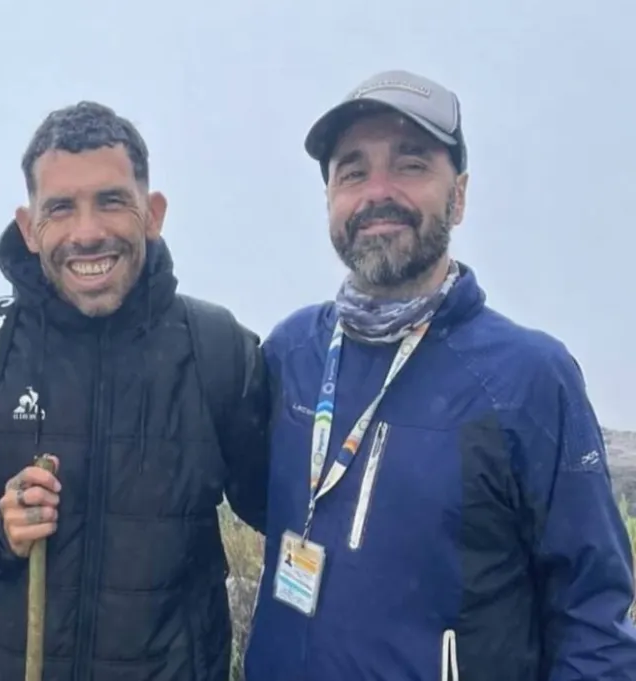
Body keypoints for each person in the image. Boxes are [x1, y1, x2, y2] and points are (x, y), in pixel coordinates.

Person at [243, 69, 636, 681]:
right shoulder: (292, 351)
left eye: (411, 164)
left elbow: (594, 617)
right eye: (353, 170)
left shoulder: (530, 378)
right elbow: (251, 496)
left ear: (459, 195)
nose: (378, 191)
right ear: (328, 200)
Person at [0, 101, 270, 681]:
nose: (87, 233)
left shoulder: (219, 350)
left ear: (153, 213)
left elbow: (284, 512)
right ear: (29, 228)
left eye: (112, 201)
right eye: (60, 208)